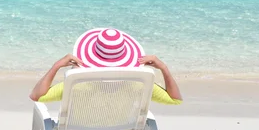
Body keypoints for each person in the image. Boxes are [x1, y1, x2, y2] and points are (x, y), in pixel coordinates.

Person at [29, 28, 183, 105]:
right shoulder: (137, 85)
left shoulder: (77, 85)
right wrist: (163, 67)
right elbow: (175, 99)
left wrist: (56, 66)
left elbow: (36, 96)